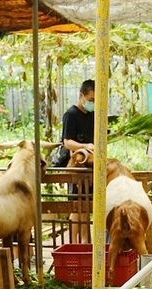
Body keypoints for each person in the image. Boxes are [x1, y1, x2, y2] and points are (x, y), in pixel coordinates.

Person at [58, 79, 96, 243]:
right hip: (76, 165)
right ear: (81, 95)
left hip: (90, 165)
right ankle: (73, 242)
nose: (92, 103)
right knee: (76, 205)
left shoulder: (92, 115)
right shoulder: (71, 115)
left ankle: (86, 243)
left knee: (86, 206)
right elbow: (67, 142)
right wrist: (84, 146)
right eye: (91, 100)